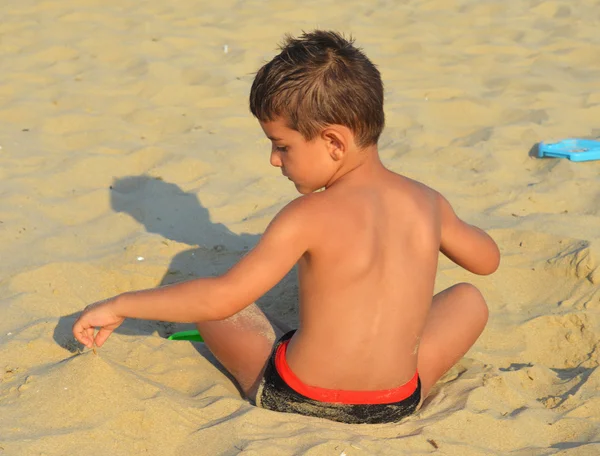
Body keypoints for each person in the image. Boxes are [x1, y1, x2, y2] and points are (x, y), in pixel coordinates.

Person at [72, 30, 500, 424]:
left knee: (218, 304)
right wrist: (438, 224)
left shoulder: (307, 215)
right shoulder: (427, 201)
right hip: (394, 402)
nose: (275, 160)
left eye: (282, 146)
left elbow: (221, 300)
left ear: (334, 142)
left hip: (297, 395)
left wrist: (120, 304)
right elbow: (487, 261)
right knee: (468, 299)